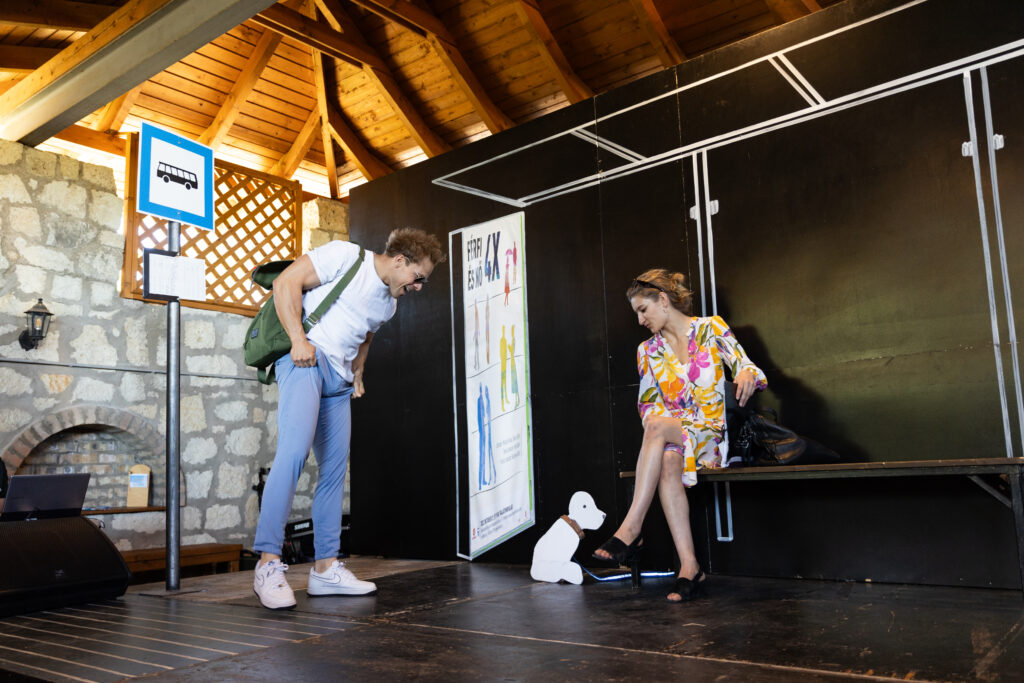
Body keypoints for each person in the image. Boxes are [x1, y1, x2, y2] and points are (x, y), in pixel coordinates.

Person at [252, 227, 445, 610]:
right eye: (418, 277)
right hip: (306, 360)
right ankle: (267, 564)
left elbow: (366, 335)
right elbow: (286, 283)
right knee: (293, 454)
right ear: (399, 260)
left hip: (338, 381)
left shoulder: (389, 304)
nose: (418, 287)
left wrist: (358, 371)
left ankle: (325, 568)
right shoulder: (346, 257)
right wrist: (298, 341)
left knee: (335, 472)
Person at [593, 268, 766, 603]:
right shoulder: (647, 351)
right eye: (636, 313)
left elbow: (747, 366)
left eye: (643, 310)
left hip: (713, 434)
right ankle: (690, 567)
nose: (640, 320)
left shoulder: (711, 328)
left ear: (663, 299)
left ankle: (632, 527)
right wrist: (663, 428)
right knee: (668, 456)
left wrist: (746, 373)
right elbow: (648, 407)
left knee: (659, 430)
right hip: (676, 437)